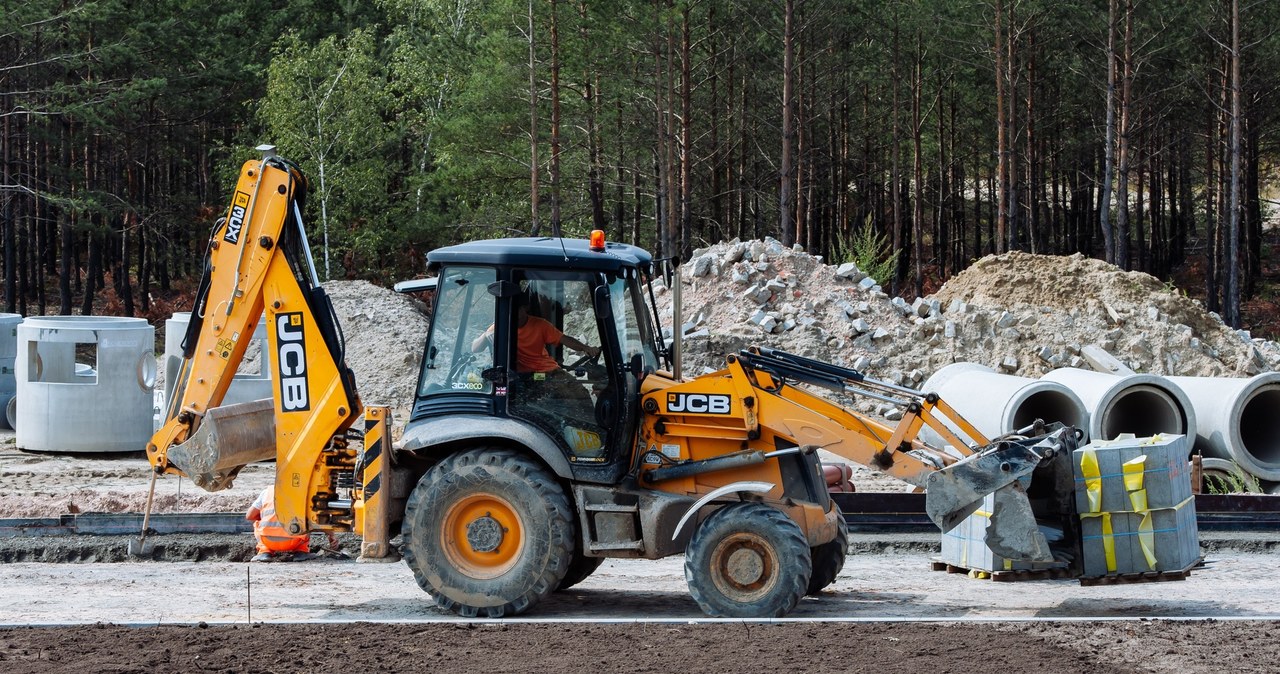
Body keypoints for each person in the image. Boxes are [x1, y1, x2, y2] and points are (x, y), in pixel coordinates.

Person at [472, 294, 601, 373]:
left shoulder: (540, 325)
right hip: (516, 375)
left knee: (577, 393)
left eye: (517, 309)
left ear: (525, 308)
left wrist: (585, 348)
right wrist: (485, 335)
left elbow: (564, 339)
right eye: (510, 311)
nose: (514, 314)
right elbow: (475, 348)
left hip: (543, 372)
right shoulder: (499, 327)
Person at [246, 485, 339, 562]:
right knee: (306, 518)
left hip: (268, 540)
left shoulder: (267, 492)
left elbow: (249, 516)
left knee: (258, 522)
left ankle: (264, 552)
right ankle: (301, 552)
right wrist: (331, 535)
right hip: (294, 540)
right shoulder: (304, 492)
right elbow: (317, 519)